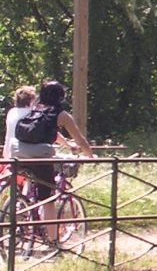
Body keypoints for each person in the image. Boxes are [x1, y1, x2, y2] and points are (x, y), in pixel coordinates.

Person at [13, 80, 94, 232]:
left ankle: (23, 213)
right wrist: (91, 156)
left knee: (31, 186)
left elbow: (50, 133)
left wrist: (68, 146)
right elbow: (80, 140)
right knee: (48, 199)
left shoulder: (35, 109)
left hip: (20, 154)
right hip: (41, 158)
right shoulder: (61, 114)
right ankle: (53, 240)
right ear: (60, 97)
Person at [4, 85, 36, 160]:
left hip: (9, 154)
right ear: (31, 100)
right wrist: (67, 144)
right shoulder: (32, 114)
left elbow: (8, 136)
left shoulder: (11, 112)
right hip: (24, 155)